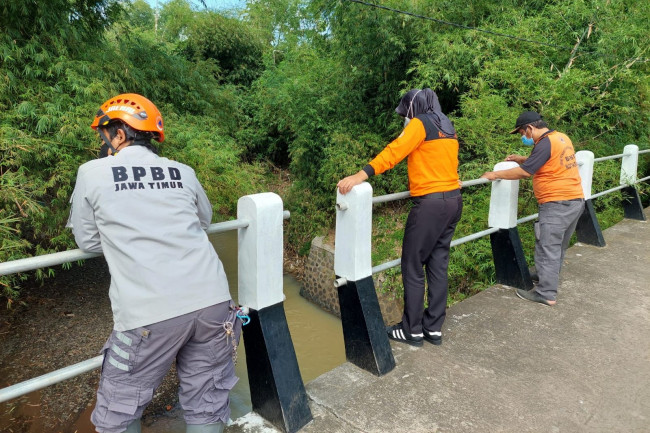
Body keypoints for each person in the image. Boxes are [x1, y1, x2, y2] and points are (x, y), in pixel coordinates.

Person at [68, 93, 240, 433]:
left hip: (150, 313)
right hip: (214, 303)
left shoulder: (92, 173)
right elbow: (202, 221)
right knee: (207, 402)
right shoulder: (183, 171)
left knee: (120, 408)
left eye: (104, 135)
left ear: (118, 134)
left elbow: (87, 241)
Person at [337, 88, 463, 347]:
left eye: (405, 112)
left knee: (413, 265)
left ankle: (412, 330)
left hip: (430, 204)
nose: (405, 118)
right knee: (438, 265)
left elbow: (395, 151)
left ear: (413, 108)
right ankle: (434, 328)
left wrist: (360, 175)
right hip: (453, 201)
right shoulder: (447, 125)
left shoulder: (420, 124)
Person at [481, 111, 585, 306]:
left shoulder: (545, 142)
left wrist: (495, 175)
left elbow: (525, 172)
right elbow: (546, 162)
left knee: (547, 246)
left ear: (530, 128)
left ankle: (546, 293)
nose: (523, 136)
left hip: (557, 203)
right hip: (575, 200)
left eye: (522, 132)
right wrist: (522, 158)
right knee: (558, 246)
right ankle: (545, 276)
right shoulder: (560, 137)